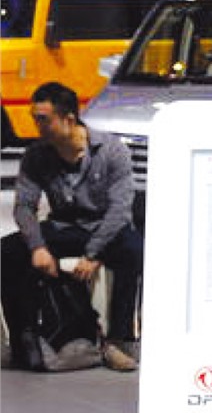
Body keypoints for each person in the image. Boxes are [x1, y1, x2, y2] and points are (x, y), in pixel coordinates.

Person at [1, 81, 142, 371]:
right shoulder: (36, 155)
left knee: (132, 250)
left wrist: (93, 254)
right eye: (35, 119)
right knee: (8, 251)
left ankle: (118, 340)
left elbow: (119, 210)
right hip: (65, 227)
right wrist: (38, 247)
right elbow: (24, 206)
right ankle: (24, 338)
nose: (38, 126)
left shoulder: (111, 151)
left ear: (68, 119)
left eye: (44, 119)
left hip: (106, 230)